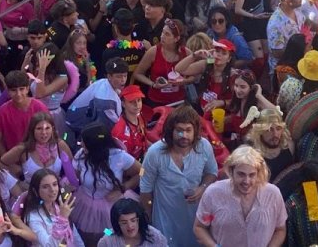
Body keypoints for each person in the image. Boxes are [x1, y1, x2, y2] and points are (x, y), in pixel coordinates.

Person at [139, 105, 218, 247]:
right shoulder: (154, 153)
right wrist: (148, 218)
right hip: (164, 221)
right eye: (179, 131)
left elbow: (212, 172)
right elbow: (145, 189)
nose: (184, 136)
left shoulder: (204, 146)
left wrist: (202, 187)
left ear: (195, 131)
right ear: (171, 131)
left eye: (188, 130)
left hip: (195, 221)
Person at [193, 146, 287, 247]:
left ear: (258, 173)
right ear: (231, 171)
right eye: (241, 174)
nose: (246, 181)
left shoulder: (272, 194)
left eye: (252, 175)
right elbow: (200, 227)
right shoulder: (213, 193)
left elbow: (280, 229)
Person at [70, 123, 142, 243]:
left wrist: (123, 188)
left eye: (84, 142)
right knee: (92, 236)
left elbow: (143, 171)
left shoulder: (119, 157)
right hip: (85, 206)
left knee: (111, 233)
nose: (81, 144)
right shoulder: (82, 154)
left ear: (96, 145)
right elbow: (74, 177)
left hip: (112, 207)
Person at [19, 169, 83, 247]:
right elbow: (49, 245)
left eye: (55, 184)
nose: (52, 190)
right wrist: (62, 219)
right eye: (45, 187)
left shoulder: (59, 205)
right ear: (35, 190)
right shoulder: (33, 218)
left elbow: (73, 232)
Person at [97, 197, 168, 247]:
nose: (130, 226)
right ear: (117, 223)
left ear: (139, 219)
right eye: (124, 222)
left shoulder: (155, 236)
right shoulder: (107, 240)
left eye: (133, 220)